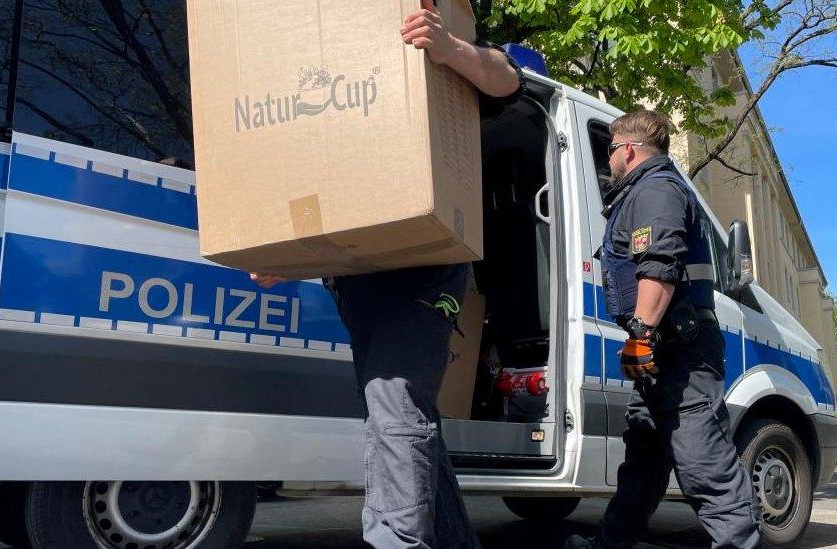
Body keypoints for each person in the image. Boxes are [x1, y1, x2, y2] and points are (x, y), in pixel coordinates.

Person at [253, 1, 522, 547]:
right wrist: (293, 255)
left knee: (395, 404)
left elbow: (507, 77)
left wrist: (449, 49)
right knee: (398, 412)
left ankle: (396, 541)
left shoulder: (438, 38)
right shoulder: (331, 62)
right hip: (358, 276)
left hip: (425, 265)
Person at [565, 110, 761, 549]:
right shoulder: (644, 192)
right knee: (644, 459)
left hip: (680, 353)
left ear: (628, 149)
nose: (608, 160)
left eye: (610, 150)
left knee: (703, 464)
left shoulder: (655, 190)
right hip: (666, 352)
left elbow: (660, 264)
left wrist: (641, 335)